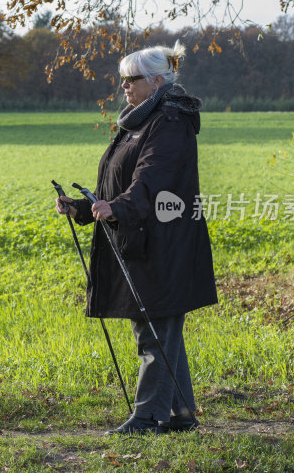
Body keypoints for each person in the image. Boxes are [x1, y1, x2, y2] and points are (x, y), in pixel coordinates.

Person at [55, 41, 217, 435]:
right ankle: (179, 413)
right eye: (122, 79)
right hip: (139, 239)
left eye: (132, 79)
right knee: (159, 327)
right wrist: (84, 207)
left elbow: (152, 179)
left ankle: (147, 416)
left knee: (154, 328)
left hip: (164, 242)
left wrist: (120, 208)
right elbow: (118, 182)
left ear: (158, 81)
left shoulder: (170, 122)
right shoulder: (139, 120)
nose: (124, 85)